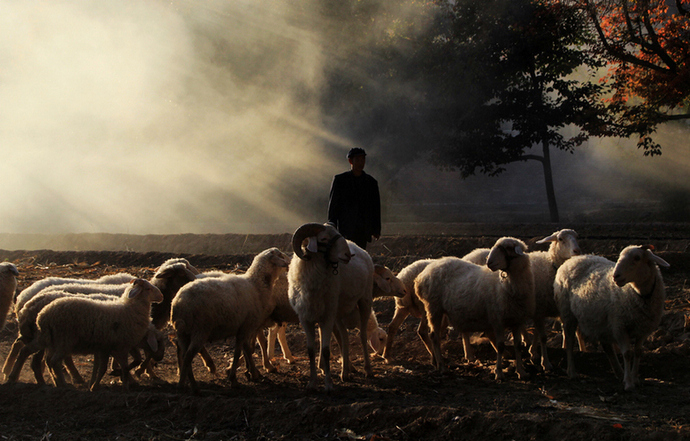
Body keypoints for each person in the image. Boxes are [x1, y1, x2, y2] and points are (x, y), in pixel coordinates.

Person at [327, 147, 381, 250]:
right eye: (358, 160)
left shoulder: (371, 182)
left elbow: (376, 207)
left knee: (360, 255)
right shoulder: (340, 180)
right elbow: (333, 206)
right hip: (345, 228)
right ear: (350, 161)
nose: (361, 163)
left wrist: (376, 229)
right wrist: (332, 227)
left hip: (363, 229)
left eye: (363, 159)